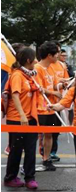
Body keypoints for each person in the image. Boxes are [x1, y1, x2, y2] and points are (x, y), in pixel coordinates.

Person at [3, 48, 39, 189]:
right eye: (34, 59)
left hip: (30, 118)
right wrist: (22, 115)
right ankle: (10, 178)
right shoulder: (17, 75)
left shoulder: (28, 75)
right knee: (16, 149)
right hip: (17, 118)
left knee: (30, 149)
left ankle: (30, 178)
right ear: (29, 60)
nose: (36, 61)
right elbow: (15, 95)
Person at [35, 41, 64, 171]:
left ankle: (46, 159)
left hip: (52, 108)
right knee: (36, 136)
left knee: (49, 134)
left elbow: (54, 84)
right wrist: (54, 92)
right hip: (40, 109)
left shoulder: (52, 67)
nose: (58, 55)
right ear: (49, 55)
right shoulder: (37, 68)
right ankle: (29, 161)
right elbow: (39, 88)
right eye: (56, 53)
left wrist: (62, 85)